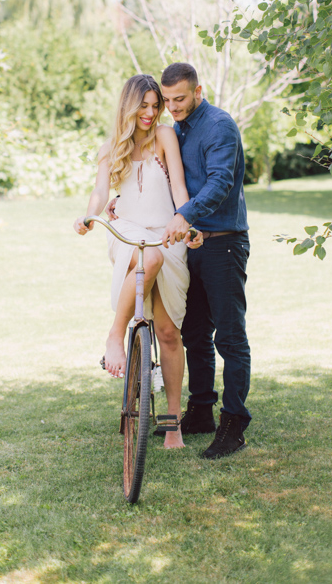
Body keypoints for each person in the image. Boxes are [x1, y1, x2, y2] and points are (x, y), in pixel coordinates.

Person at [73, 74, 201, 450]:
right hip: (128, 231)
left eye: (154, 105)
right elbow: (100, 191)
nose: (149, 113)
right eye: (142, 105)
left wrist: (187, 221)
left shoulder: (164, 137)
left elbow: (178, 185)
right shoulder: (110, 147)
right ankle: (116, 334)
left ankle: (172, 424)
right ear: (128, 106)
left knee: (167, 333)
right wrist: (88, 216)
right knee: (149, 255)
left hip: (166, 231)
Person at [159, 62, 252, 460]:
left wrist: (185, 216)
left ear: (199, 90)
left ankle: (234, 423)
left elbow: (220, 183)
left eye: (179, 98)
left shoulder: (219, 125)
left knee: (229, 337)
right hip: (190, 245)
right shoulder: (176, 128)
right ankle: (200, 410)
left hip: (223, 243)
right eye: (167, 101)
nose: (172, 107)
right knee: (194, 333)